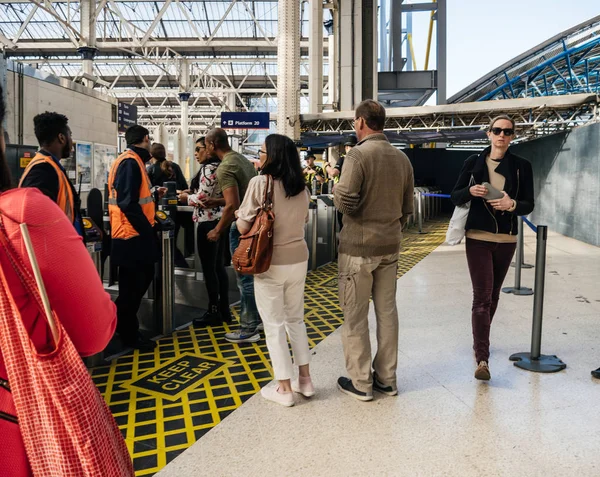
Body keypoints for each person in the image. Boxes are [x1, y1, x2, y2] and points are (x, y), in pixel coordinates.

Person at [0, 86, 118, 476]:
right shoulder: (32, 191)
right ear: (61, 137)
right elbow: (94, 331)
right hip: (28, 412)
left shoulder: (45, 170)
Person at [334, 100, 414, 401]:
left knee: (355, 316)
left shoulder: (357, 155)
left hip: (358, 250)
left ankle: (361, 382)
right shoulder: (402, 159)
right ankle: (387, 379)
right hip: (390, 248)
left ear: (360, 123)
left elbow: (345, 203)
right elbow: (407, 209)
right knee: (387, 313)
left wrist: (336, 190)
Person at [451, 115, 535, 381]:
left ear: (512, 136)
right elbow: (455, 195)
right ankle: (482, 358)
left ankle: (481, 339)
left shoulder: (522, 167)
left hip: (506, 239)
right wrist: (470, 191)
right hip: (477, 236)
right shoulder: (473, 163)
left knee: (493, 296)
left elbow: (528, 204)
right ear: (488, 134)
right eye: (497, 131)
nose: (502, 135)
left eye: (507, 132)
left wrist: (511, 205)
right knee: (482, 297)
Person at [236, 134, 313, 407]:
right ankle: (305, 380)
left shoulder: (260, 183)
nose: (261, 155)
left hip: (270, 262)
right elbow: (303, 220)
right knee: (296, 320)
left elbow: (243, 228)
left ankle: (284, 388)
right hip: (299, 260)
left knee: (274, 324)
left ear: (274, 156)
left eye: (263, 151)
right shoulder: (302, 189)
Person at [204, 128, 260, 344]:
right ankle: (256, 319)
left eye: (205, 145)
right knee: (253, 277)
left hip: (242, 226)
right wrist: (217, 202)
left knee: (244, 278)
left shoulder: (224, 167)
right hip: (255, 223)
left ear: (212, 144)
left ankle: (248, 327)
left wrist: (217, 230)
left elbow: (233, 206)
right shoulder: (241, 160)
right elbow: (242, 195)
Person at [108, 125, 161, 351]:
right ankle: (127, 332)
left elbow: (134, 196)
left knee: (136, 283)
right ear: (145, 139)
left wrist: (154, 194)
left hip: (133, 233)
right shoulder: (130, 162)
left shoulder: (133, 161)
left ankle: (123, 326)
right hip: (131, 235)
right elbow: (126, 202)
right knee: (133, 287)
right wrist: (147, 230)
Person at [179, 137, 231, 326]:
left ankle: (214, 311)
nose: (196, 153)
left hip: (208, 223)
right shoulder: (223, 167)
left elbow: (202, 197)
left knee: (210, 270)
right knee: (219, 268)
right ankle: (224, 310)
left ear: (209, 149)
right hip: (220, 221)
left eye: (199, 148)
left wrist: (186, 197)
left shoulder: (210, 169)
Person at [18, 112, 84, 238]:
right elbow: (34, 222)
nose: (71, 140)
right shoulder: (42, 170)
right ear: (62, 138)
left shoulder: (51, 167)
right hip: (55, 251)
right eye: (70, 135)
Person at [148, 143, 189, 268]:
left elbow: (148, 191)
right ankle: (179, 267)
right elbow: (184, 188)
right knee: (171, 241)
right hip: (176, 212)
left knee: (162, 244)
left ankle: (170, 268)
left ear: (151, 154)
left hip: (158, 213)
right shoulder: (174, 166)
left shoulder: (151, 169)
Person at [326, 135, 357, 229]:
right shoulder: (360, 159)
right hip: (357, 196)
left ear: (346, 147)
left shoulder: (343, 159)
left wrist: (326, 166)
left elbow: (333, 173)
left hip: (343, 195)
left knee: (343, 224)